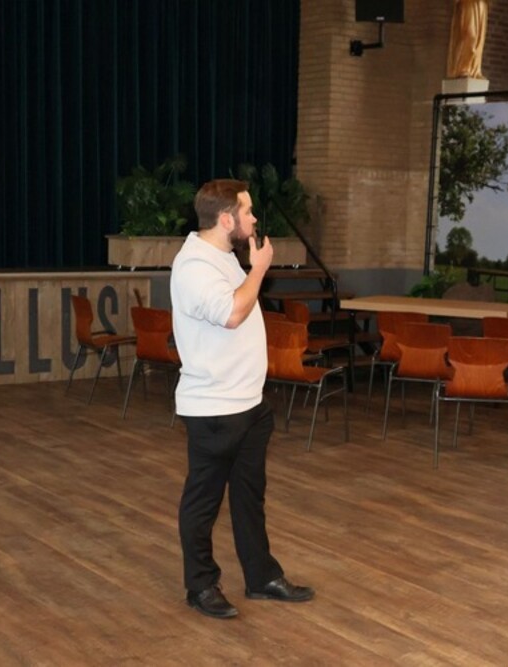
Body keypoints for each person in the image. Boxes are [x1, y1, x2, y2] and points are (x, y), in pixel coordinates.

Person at [171, 179, 314, 619]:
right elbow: (233, 313)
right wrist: (259, 270)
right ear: (226, 219)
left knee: (250, 498)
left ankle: (261, 576)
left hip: (249, 405)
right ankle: (201, 586)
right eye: (248, 212)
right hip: (214, 408)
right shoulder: (195, 265)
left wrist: (250, 269)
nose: (254, 219)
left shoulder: (225, 257)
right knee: (203, 502)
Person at [446, 0, 489, 79]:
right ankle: (463, 67)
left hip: (481, 3)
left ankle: (475, 69)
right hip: (468, 3)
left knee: (479, 39)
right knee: (470, 34)